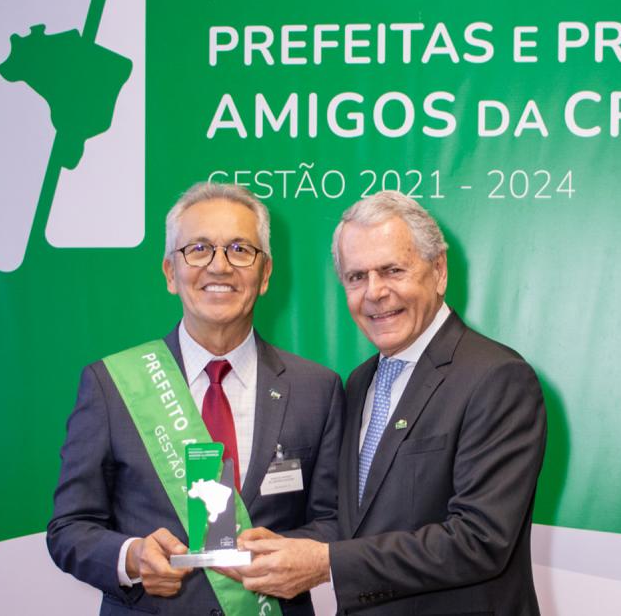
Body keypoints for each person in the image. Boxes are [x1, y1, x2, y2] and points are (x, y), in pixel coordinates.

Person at [224, 191, 547, 614]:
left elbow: (479, 540)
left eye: (393, 270)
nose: (375, 292)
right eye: (357, 277)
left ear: (439, 271)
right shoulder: (359, 383)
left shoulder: (497, 377)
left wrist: (325, 564)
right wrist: (282, 550)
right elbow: (356, 522)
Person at [47, 182, 343, 616]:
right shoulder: (111, 385)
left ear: (265, 274)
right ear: (170, 273)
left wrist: (294, 555)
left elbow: (334, 521)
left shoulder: (317, 388)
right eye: (199, 249)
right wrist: (132, 557)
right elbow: (70, 528)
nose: (219, 266)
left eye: (240, 249)